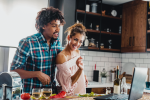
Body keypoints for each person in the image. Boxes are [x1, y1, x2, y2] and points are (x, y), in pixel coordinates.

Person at [10, 7, 65, 94]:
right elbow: (14, 72)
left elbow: (63, 64)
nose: (58, 29)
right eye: (54, 26)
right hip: (31, 95)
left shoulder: (57, 42)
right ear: (43, 26)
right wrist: (37, 74)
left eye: (59, 26)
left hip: (50, 94)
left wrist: (80, 74)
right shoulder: (27, 42)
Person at [56, 23, 88, 96]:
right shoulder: (61, 56)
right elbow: (69, 83)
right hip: (66, 95)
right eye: (75, 39)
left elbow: (77, 69)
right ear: (68, 38)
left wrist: (83, 75)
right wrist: (80, 70)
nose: (77, 44)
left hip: (78, 90)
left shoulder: (77, 52)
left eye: (80, 41)